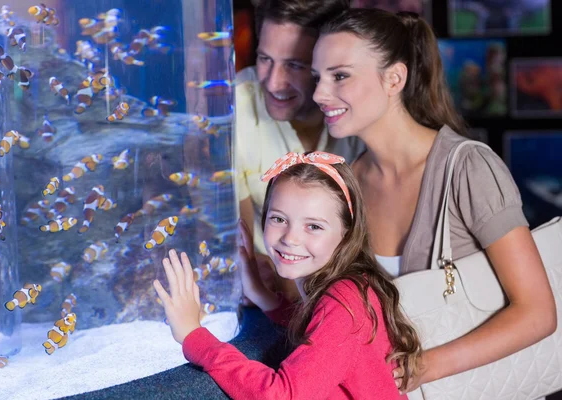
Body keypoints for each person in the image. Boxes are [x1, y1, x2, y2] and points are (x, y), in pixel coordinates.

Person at [310, 8, 557, 393]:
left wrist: (423, 367)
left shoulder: (468, 167)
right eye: (318, 78)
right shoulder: (348, 181)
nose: (319, 94)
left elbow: (538, 313)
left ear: (394, 78)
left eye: (339, 75)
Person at [154, 151, 421, 399]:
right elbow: (320, 333)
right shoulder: (348, 286)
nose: (290, 238)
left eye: (314, 226)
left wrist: (194, 335)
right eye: (279, 219)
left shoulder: (346, 303)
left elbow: (283, 395)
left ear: (347, 234)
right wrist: (263, 295)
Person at [236, 0, 365, 299]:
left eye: (295, 65)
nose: (273, 82)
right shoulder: (234, 107)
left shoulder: (362, 113)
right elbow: (241, 252)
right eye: (264, 59)